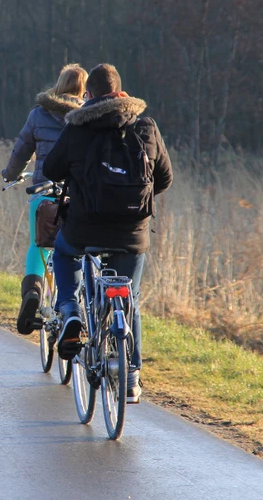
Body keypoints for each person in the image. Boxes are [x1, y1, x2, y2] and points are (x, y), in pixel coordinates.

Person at [43, 64, 173, 402]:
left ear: (89, 94)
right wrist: (135, 201)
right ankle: (131, 378)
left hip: (84, 229)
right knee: (129, 300)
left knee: (63, 253)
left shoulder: (77, 127)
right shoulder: (146, 126)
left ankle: (70, 309)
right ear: (121, 91)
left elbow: (51, 168)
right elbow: (164, 178)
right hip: (132, 232)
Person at [1, 64, 86, 335]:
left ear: (59, 84)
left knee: (39, 246)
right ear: (83, 89)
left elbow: (22, 150)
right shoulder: (88, 115)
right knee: (79, 250)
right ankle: (78, 303)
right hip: (77, 196)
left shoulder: (39, 113)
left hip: (45, 192)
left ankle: (34, 292)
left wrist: (10, 174)